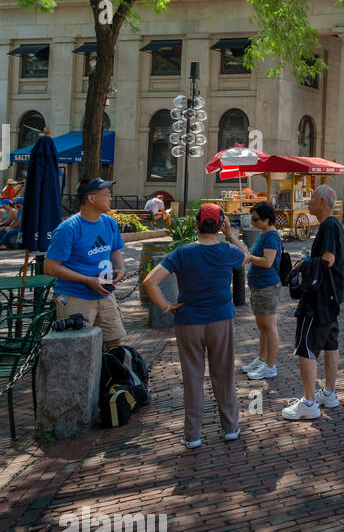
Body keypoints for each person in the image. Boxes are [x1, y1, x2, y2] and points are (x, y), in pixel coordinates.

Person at [143, 204, 251, 447]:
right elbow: (246, 256)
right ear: (220, 224)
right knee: (223, 375)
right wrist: (231, 235)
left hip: (188, 320)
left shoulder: (183, 252)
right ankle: (231, 427)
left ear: (196, 225)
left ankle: (193, 435)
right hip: (221, 319)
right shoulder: (227, 251)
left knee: (192, 378)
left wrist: (166, 306)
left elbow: (150, 281)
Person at [283, 185, 344, 420]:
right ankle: (329, 393)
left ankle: (309, 402)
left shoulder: (328, 226)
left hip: (319, 298)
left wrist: (304, 264)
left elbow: (328, 260)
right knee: (331, 344)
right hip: (331, 298)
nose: (308, 203)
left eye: (311, 199)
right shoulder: (335, 226)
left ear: (322, 201)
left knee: (306, 347)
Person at [44, 178, 128, 347]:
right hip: (74, 297)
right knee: (78, 348)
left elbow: (114, 250)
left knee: (115, 344)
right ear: (91, 198)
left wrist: (121, 268)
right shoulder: (68, 229)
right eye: (106, 194)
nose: (110, 198)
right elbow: (50, 267)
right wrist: (88, 281)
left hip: (105, 294)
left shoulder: (109, 222)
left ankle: (110, 374)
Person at [243, 201, 283, 379]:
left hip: (267, 286)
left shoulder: (271, 237)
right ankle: (262, 359)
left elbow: (267, 262)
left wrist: (249, 257)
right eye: (252, 219)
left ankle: (270, 365)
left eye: (256, 219)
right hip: (259, 286)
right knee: (262, 327)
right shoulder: (263, 233)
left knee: (269, 327)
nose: (253, 222)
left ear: (267, 219)